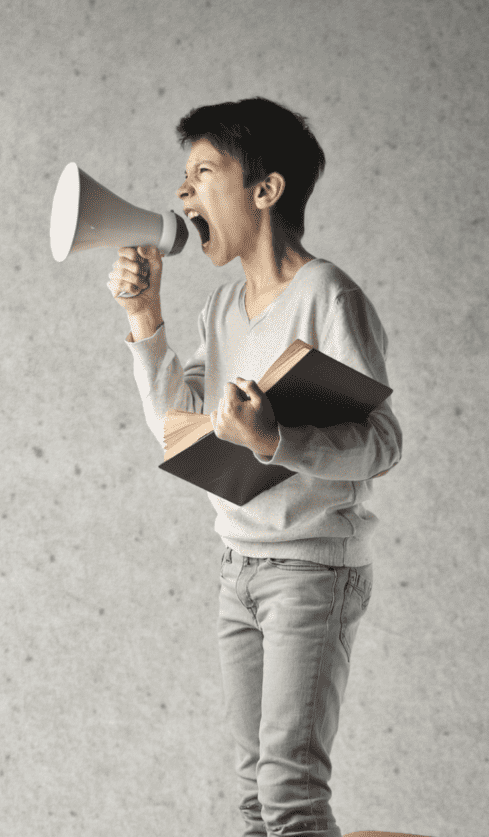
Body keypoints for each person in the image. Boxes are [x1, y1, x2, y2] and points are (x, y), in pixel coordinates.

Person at [107, 97, 402, 837]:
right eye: (184, 176)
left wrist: (276, 440)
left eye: (204, 172)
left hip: (312, 571)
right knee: (253, 798)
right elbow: (177, 427)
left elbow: (384, 441)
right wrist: (146, 320)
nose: (182, 193)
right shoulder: (222, 307)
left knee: (291, 796)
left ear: (265, 190)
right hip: (237, 568)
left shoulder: (328, 296)